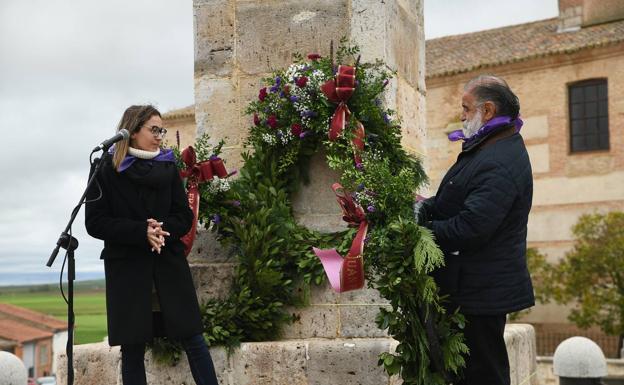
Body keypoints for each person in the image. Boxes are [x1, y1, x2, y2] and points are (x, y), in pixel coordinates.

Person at [85, 105, 219, 385]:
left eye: (162, 130)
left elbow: (183, 216)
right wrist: (140, 231)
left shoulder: (168, 166)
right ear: (132, 131)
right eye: (154, 129)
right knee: (132, 347)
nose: (160, 136)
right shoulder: (105, 169)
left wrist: (159, 230)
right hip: (128, 269)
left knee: (193, 339)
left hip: (167, 264)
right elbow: (95, 222)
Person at [416, 75, 534, 385]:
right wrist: (426, 207)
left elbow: (471, 227)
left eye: (466, 108)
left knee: (483, 374)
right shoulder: (489, 147)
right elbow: (456, 198)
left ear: (489, 110)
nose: (461, 115)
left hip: (481, 292)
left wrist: (421, 231)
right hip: (469, 286)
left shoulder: (499, 159)